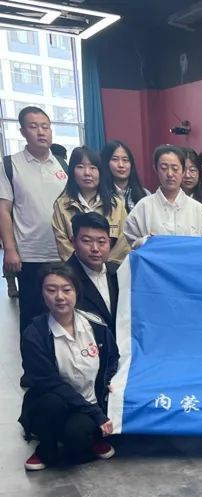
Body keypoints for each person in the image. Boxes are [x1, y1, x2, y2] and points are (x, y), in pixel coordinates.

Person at [19, 264, 119, 471]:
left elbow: (112, 357)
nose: (60, 297)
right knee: (51, 403)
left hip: (88, 402)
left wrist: (109, 380)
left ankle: (84, 437)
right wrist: (96, 414)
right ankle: (46, 448)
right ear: (42, 293)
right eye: (51, 290)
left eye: (66, 289)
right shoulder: (35, 334)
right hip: (54, 402)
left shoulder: (96, 325)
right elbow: (49, 383)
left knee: (76, 443)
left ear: (76, 292)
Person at [0, 106, 69, 335]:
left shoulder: (63, 165)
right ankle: (32, 358)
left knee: (63, 313)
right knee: (32, 315)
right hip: (30, 255)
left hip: (63, 252)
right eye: (34, 126)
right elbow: (4, 210)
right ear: (22, 131)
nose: (41, 132)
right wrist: (10, 250)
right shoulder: (10, 165)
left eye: (45, 127)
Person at [123, 145, 202, 248]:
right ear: (156, 169)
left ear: (183, 171)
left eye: (175, 169)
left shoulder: (198, 209)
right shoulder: (144, 207)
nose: (170, 174)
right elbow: (130, 242)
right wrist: (146, 241)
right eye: (164, 168)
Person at [52, 146, 130, 265]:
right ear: (72, 172)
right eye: (80, 167)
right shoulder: (62, 205)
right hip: (75, 272)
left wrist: (105, 268)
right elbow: (63, 245)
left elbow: (123, 243)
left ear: (100, 172)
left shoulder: (116, 204)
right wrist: (81, 268)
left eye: (93, 168)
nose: (87, 173)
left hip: (110, 270)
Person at [65, 213, 119, 336]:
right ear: (73, 241)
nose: (95, 248)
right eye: (87, 241)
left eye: (101, 242)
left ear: (109, 242)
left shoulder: (119, 272)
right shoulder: (64, 279)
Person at [102, 140, 149, 213]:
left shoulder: (145, 194)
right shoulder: (99, 195)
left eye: (125, 160)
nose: (121, 165)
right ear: (106, 162)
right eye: (115, 159)